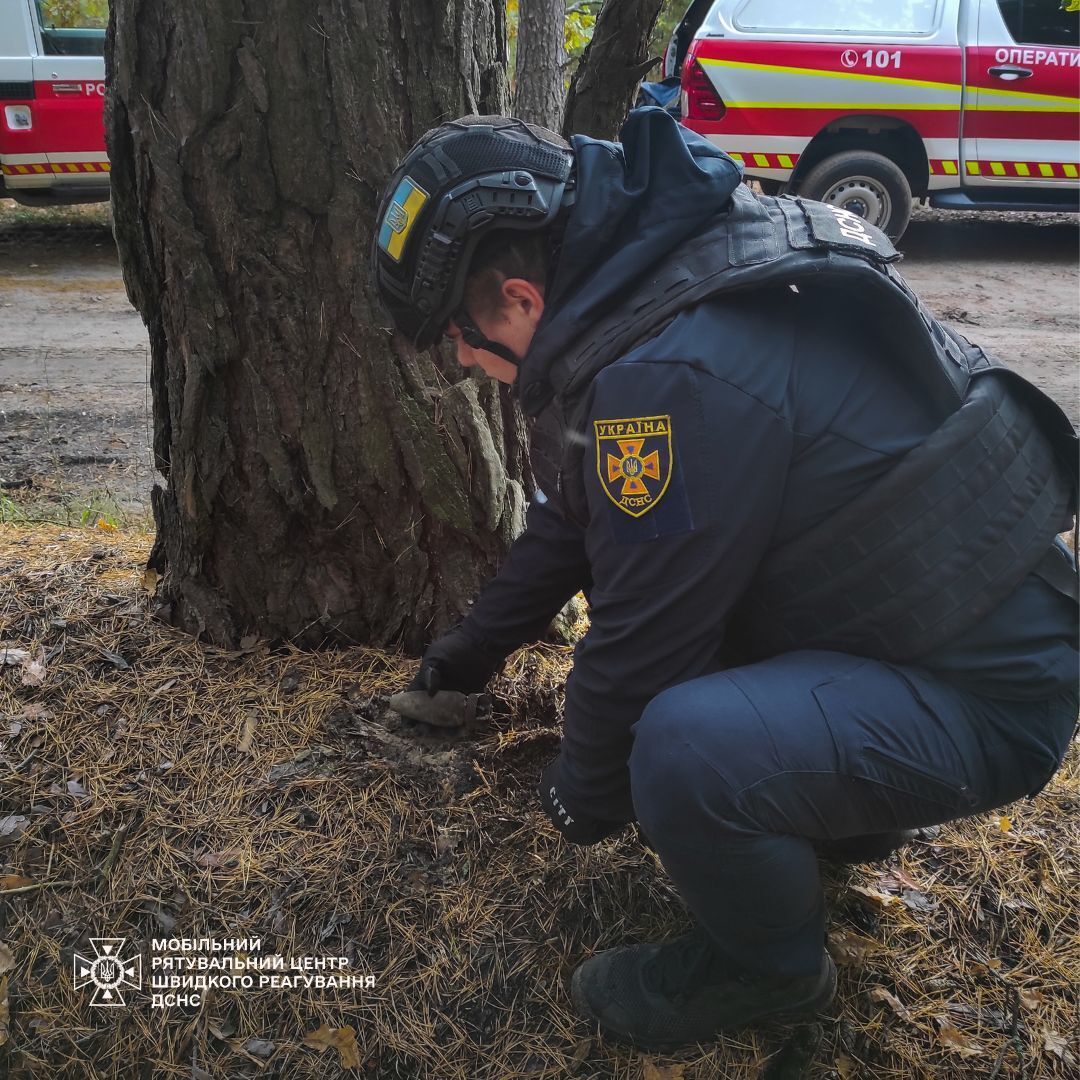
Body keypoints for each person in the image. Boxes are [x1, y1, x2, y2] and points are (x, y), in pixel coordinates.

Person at [371, 109, 1079, 1052]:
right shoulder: (659, 282)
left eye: (459, 337)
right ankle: (834, 815)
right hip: (928, 629)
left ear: (519, 299)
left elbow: (640, 642)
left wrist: (580, 796)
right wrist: (463, 659)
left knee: (679, 744)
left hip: (986, 700)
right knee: (696, 699)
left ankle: (773, 972)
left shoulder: (665, 374)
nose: (462, 360)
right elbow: (578, 520)